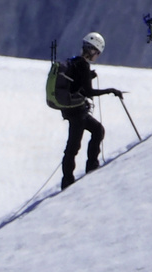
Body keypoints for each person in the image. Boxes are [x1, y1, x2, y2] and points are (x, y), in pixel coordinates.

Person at [53, 32, 124, 189]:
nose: (97, 56)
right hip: (77, 112)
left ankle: (86, 169)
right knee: (74, 146)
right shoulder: (83, 66)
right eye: (97, 53)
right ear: (93, 50)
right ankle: (70, 180)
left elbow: (77, 83)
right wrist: (110, 90)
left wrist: (88, 77)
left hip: (73, 110)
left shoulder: (75, 62)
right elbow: (88, 92)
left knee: (95, 131)